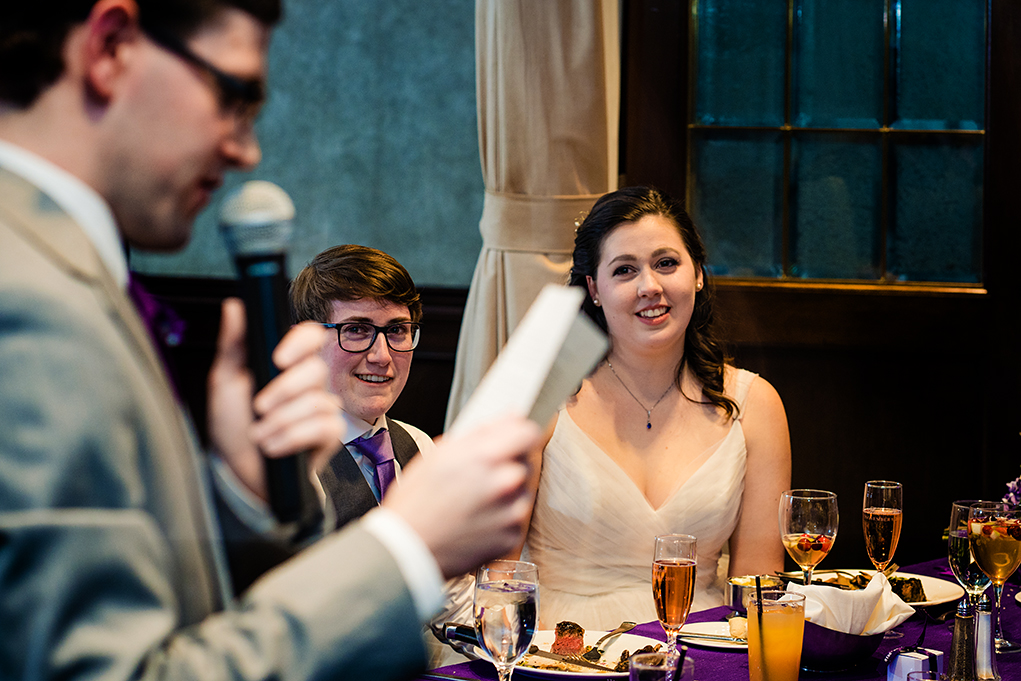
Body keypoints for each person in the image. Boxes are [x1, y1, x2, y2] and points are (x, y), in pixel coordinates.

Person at [0, 2, 539, 680]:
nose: (244, 149)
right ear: (110, 48)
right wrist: (406, 547)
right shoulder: (28, 299)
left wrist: (240, 497)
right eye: (234, 95)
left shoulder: (56, 265)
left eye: (397, 331)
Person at [520, 186, 792, 630]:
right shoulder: (543, 397)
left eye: (666, 263)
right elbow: (498, 578)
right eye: (625, 270)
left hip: (700, 649)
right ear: (594, 289)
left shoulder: (754, 404)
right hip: (562, 653)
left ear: (698, 274)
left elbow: (758, 588)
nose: (650, 286)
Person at [290, 244, 433, 526]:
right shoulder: (293, 470)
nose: (382, 356)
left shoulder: (421, 447)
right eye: (356, 329)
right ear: (307, 342)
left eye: (396, 330)